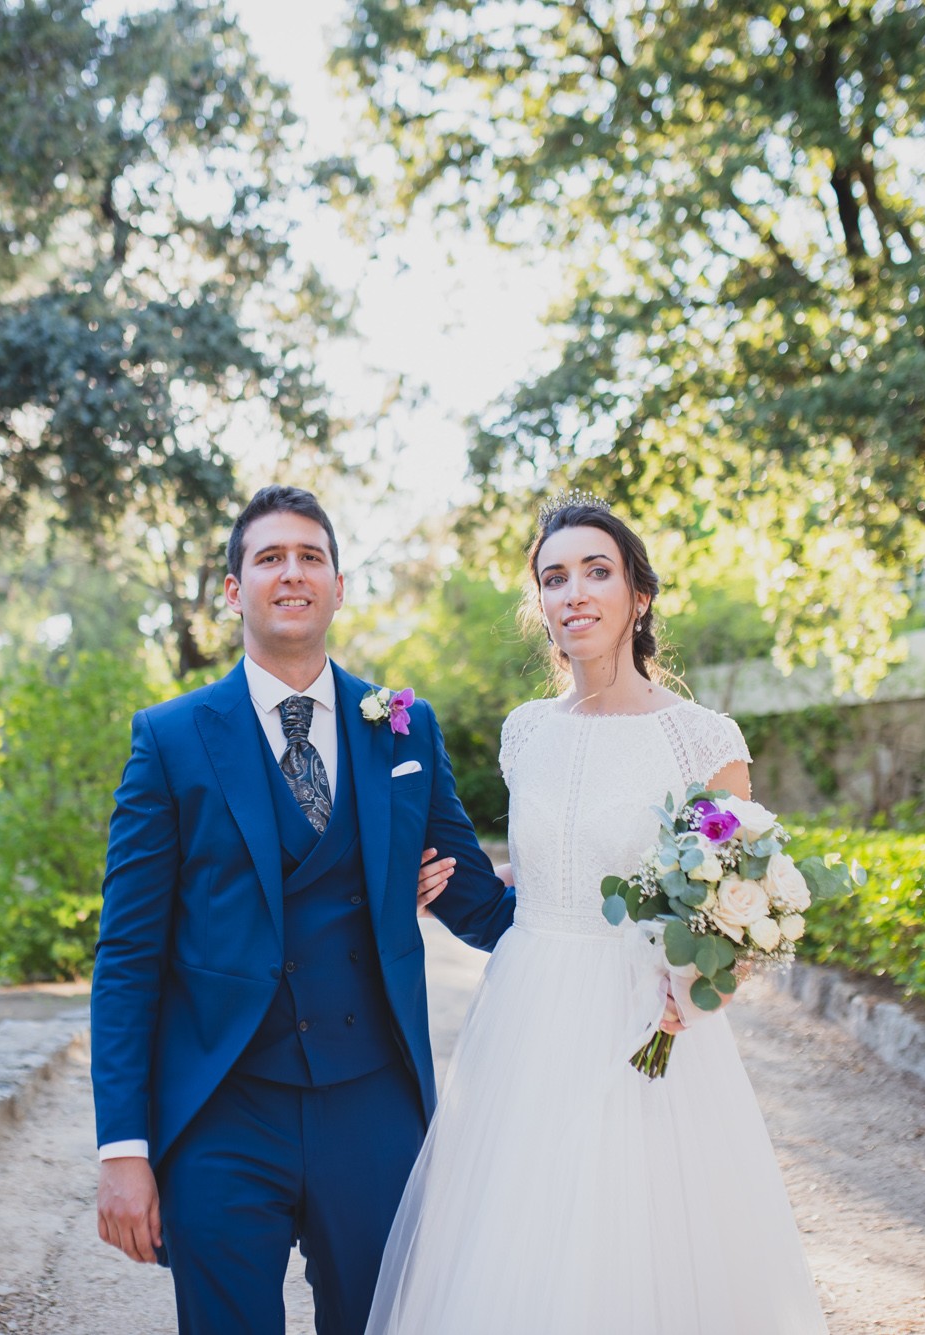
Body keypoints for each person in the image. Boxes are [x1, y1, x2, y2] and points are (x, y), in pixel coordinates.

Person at [367, 498, 829, 1334]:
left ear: (638, 596)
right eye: (554, 577)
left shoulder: (701, 737)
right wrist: (442, 877)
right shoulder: (524, 733)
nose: (573, 591)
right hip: (526, 1012)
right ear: (539, 604)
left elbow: (738, 898)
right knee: (517, 1242)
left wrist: (698, 991)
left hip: (643, 1021)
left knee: (633, 1245)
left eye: (596, 570)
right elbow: (549, 865)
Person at [89, 484, 516, 1335]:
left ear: (338, 584)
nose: (292, 573)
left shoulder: (403, 728)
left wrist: (613, 917)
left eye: (310, 556)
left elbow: (478, 903)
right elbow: (128, 956)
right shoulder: (169, 740)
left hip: (373, 1101)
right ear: (233, 588)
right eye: (270, 557)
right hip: (223, 1107)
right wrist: (123, 1149)